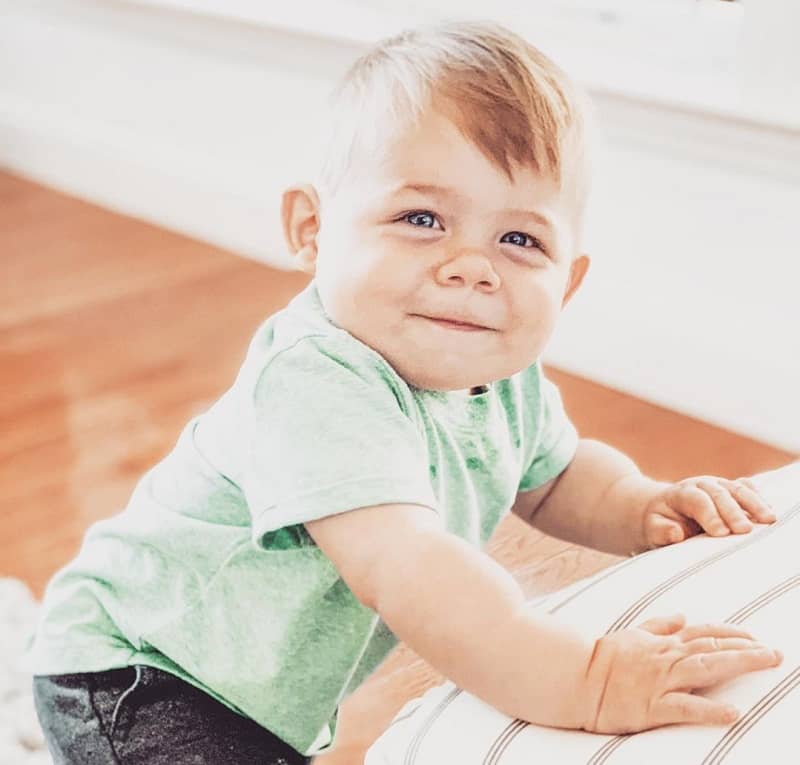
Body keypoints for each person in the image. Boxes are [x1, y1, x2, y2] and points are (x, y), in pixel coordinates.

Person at [28, 19, 782, 765]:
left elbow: (556, 478)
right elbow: (414, 571)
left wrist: (640, 506)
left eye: (520, 241)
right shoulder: (315, 380)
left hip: (251, 698)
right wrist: (586, 678)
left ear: (569, 281)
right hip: (138, 671)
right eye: (421, 219)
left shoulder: (500, 376)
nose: (471, 268)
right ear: (312, 230)